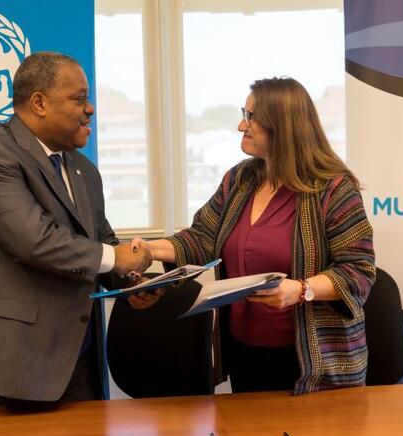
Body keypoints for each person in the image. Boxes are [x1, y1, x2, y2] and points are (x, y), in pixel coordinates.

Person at [133, 77, 375, 394]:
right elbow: (202, 238)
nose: (240, 125)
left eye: (251, 117)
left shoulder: (333, 189)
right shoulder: (239, 179)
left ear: (282, 126)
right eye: (243, 114)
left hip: (314, 361)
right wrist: (150, 250)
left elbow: (358, 271)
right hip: (244, 352)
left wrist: (302, 290)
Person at [0, 52, 151, 407]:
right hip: (8, 362)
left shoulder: (82, 168)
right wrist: (118, 259)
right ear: (39, 103)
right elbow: (35, 241)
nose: (91, 108)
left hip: (77, 361)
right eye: (79, 98)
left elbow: (99, 241)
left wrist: (131, 284)